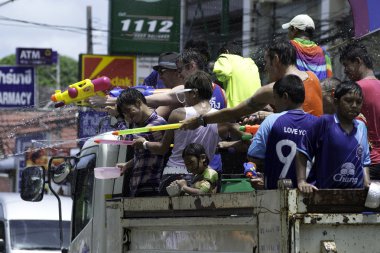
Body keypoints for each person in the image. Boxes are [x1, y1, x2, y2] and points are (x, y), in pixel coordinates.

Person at [181, 39, 323, 130]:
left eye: (267, 63)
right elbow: (300, 116)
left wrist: (200, 120)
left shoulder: (272, 89)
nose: (266, 69)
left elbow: (234, 113)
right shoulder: (313, 78)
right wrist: (267, 115)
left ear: (276, 59)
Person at [133, 71, 224, 195]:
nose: (184, 98)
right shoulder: (220, 118)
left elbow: (162, 148)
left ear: (194, 93)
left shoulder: (178, 114)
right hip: (203, 176)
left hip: (175, 173)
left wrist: (144, 143)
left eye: (186, 94)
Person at [296, 81, 371, 193]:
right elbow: (302, 152)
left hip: (354, 196)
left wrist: (367, 183)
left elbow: (364, 161)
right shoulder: (324, 123)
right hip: (323, 193)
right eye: (348, 101)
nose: (354, 105)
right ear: (336, 102)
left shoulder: (361, 127)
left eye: (358, 102)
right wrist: (301, 181)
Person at [247, 75, 318, 189]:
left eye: (275, 98)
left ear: (285, 97)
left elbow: (253, 156)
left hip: (275, 197)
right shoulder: (318, 124)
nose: (274, 103)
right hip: (309, 197)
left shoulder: (271, 121)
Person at [339, 42, 380, 181]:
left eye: (346, 65)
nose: (345, 70)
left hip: (369, 164)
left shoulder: (354, 90)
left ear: (357, 61)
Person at [115, 88, 167, 197]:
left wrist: (118, 118)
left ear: (138, 103)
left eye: (128, 110)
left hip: (151, 187)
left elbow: (129, 140)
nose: (128, 117)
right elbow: (145, 154)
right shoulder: (141, 126)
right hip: (139, 187)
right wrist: (127, 165)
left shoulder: (158, 122)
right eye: (125, 114)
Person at [282, 14, 333, 81]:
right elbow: (329, 82)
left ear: (294, 30)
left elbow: (281, 75)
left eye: (289, 29)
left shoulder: (288, 47)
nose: (287, 33)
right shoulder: (324, 53)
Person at [213, 40, 261, 107]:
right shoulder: (250, 62)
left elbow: (224, 73)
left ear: (226, 51)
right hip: (254, 107)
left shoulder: (225, 57)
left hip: (235, 108)